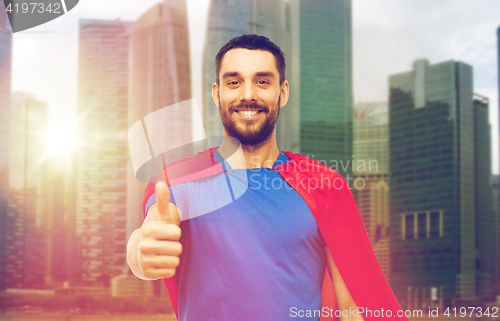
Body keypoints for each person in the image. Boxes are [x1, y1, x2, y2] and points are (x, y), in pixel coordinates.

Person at [126, 35, 407, 321]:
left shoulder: (324, 185)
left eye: (262, 81)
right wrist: (141, 252)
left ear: (282, 93)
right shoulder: (180, 180)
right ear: (217, 93)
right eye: (234, 82)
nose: (248, 94)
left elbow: (353, 310)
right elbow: (153, 228)